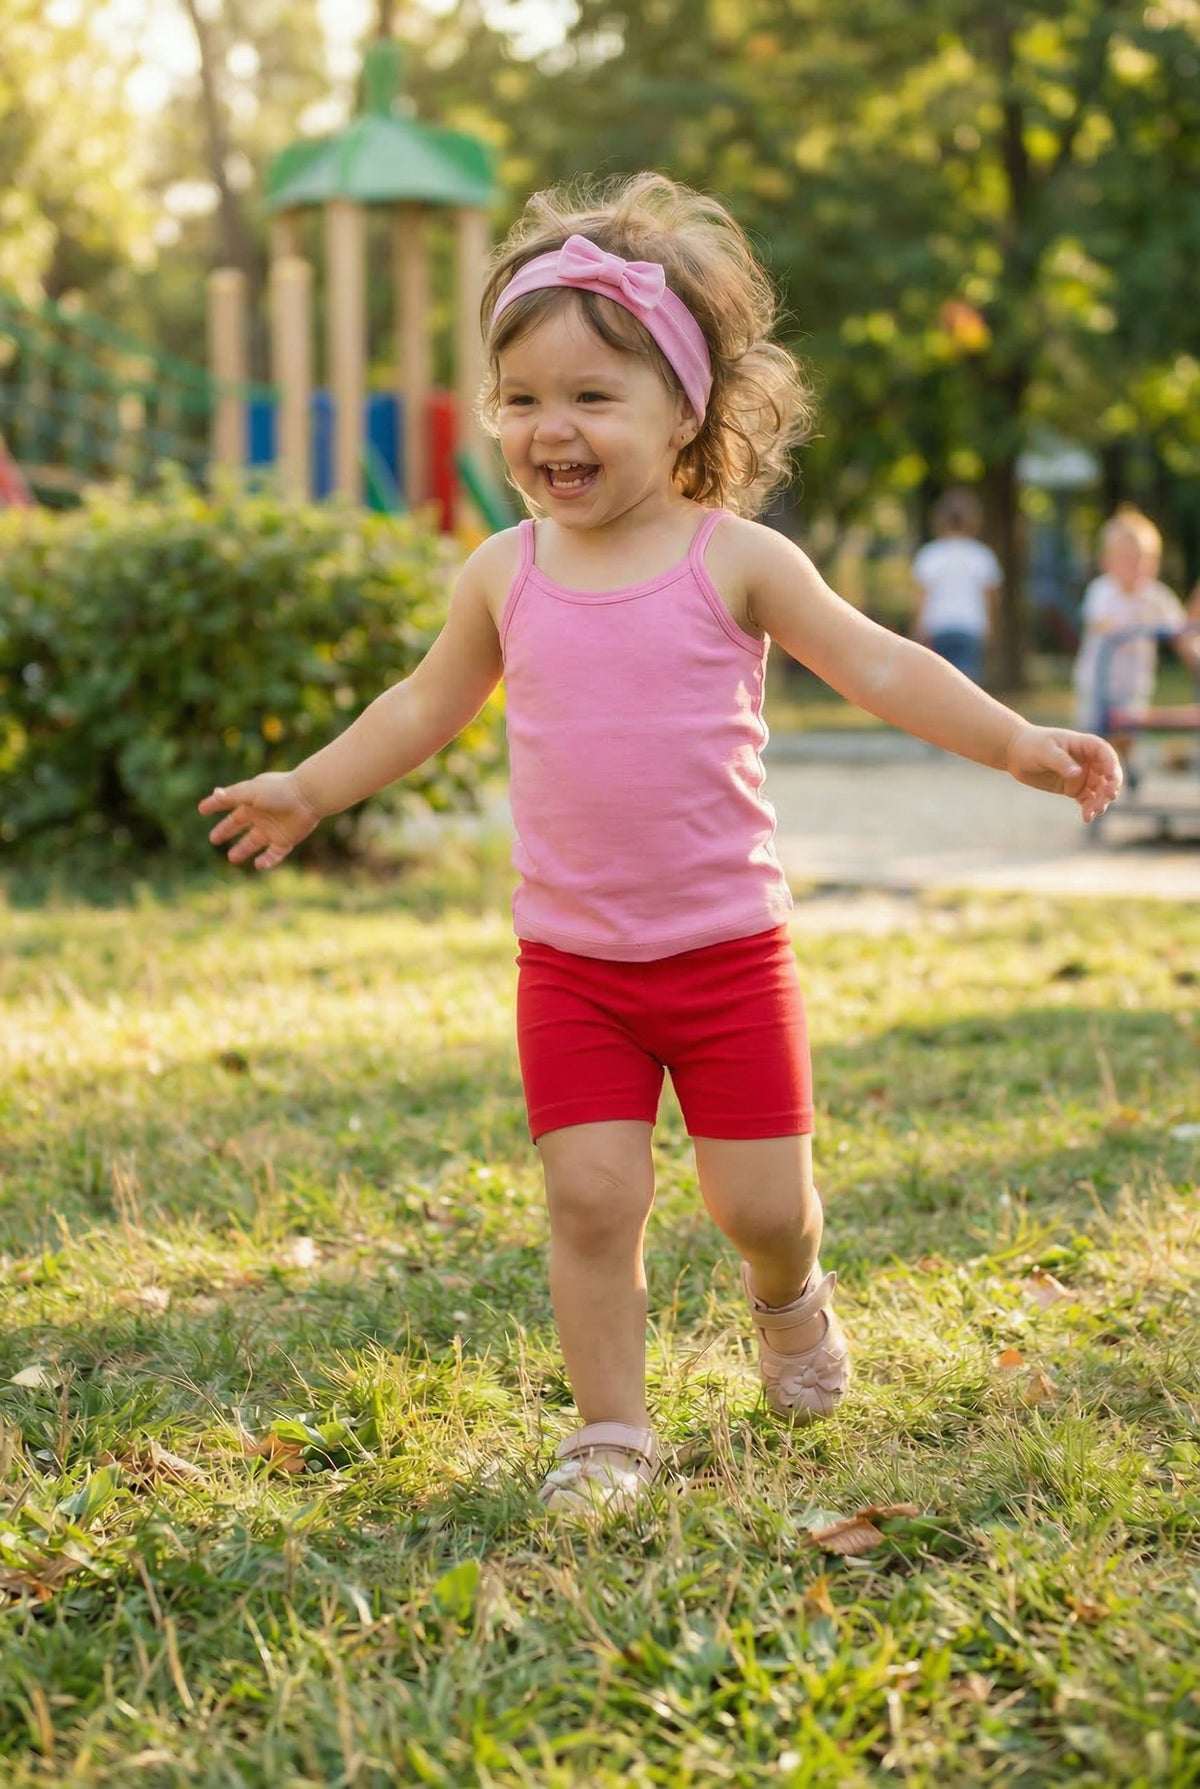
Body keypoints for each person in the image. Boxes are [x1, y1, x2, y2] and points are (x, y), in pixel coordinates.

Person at [199, 173, 1122, 1514]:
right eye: (521, 397)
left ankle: (792, 1299)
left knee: (760, 1206)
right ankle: (611, 1431)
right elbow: (421, 705)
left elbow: (877, 662)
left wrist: (1014, 742)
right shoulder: (503, 574)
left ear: (683, 411)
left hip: (728, 955)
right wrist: (309, 789)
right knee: (590, 1194)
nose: (548, 427)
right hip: (572, 964)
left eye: (590, 397)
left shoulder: (733, 559)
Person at [1071, 508, 1192, 777]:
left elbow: (1182, 632)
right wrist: (1134, 628)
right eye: (1127, 559)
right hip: (1099, 683)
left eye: (1144, 559)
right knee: (1095, 736)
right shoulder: (1103, 590)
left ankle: (1126, 767)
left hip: (1133, 683)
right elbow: (1098, 622)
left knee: (1128, 732)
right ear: (1107, 561)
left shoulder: (1155, 596)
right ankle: (1099, 775)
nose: (1136, 566)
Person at [909, 488, 1002, 684]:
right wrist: (990, 626)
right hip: (970, 625)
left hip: (938, 624)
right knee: (966, 682)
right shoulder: (981, 555)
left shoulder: (931, 554)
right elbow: (990, 597)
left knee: (939, 681)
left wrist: (917, 627)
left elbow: (922, 596)